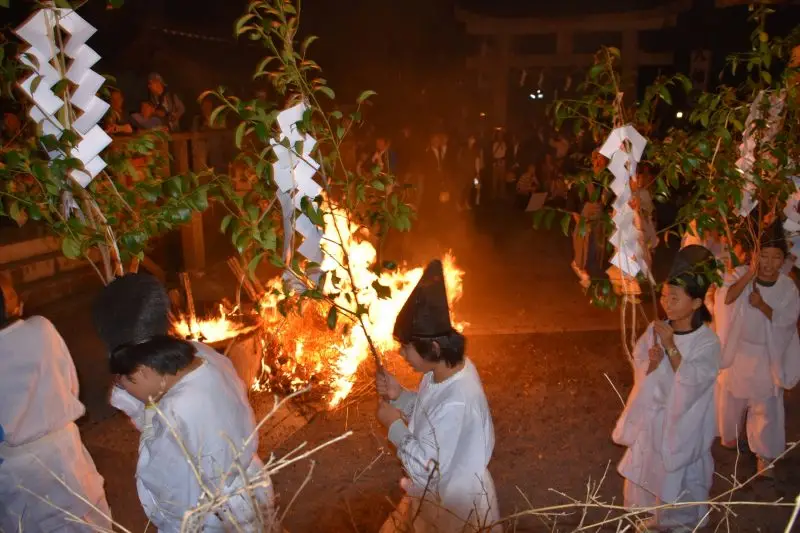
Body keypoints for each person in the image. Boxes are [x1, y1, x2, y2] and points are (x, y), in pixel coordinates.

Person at [92, 273, 276, 532]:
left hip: (215, 518)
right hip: (250, 489)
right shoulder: (201, 354)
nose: (125, 391)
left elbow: (173, 497)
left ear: (144, 369)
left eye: (129, 382)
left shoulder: (177, 412)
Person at [376, 260, 499, 533]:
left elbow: (428, 470)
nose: (402, 355)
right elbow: (432, 414)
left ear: (432, 347)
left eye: (406, 348)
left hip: (453, 508)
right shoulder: (443, 372)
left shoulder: (457, 400)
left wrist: (394, 427)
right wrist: (401, 398)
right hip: (438, 495)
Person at [612, 245, 721, 532]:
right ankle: (658, 519)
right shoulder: (656, 329)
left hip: (685, 424)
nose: (666, 304)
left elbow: (694, 383)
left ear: (697, 303)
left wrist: (671, 347)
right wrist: (650, 363)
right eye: (664, 296)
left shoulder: (707, 342)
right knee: (652, 471)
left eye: (675, 298)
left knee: (681, 477)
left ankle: (683, 522)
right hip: (656, 418)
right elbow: (641, 368)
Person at [0, 275, 112, 532]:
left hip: (15, 467)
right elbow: (71, 384)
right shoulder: (41, 329)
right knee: (87, 518)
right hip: (63, 448)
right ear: (18, 306)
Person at [714, 222, 800, 477]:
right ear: (754, 256)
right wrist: (749, 276)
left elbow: (787, 321)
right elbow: (725, 300)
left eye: (776, 258)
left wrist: (762, 305)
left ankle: (764, 454)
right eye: (764, 256)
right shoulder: (740, 274)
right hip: (739, 352)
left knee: (765, 406)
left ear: (783, 260)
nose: (769, 263)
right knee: (732, 398)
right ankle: (729, 435)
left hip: (767, 354)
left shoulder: (787, 287)